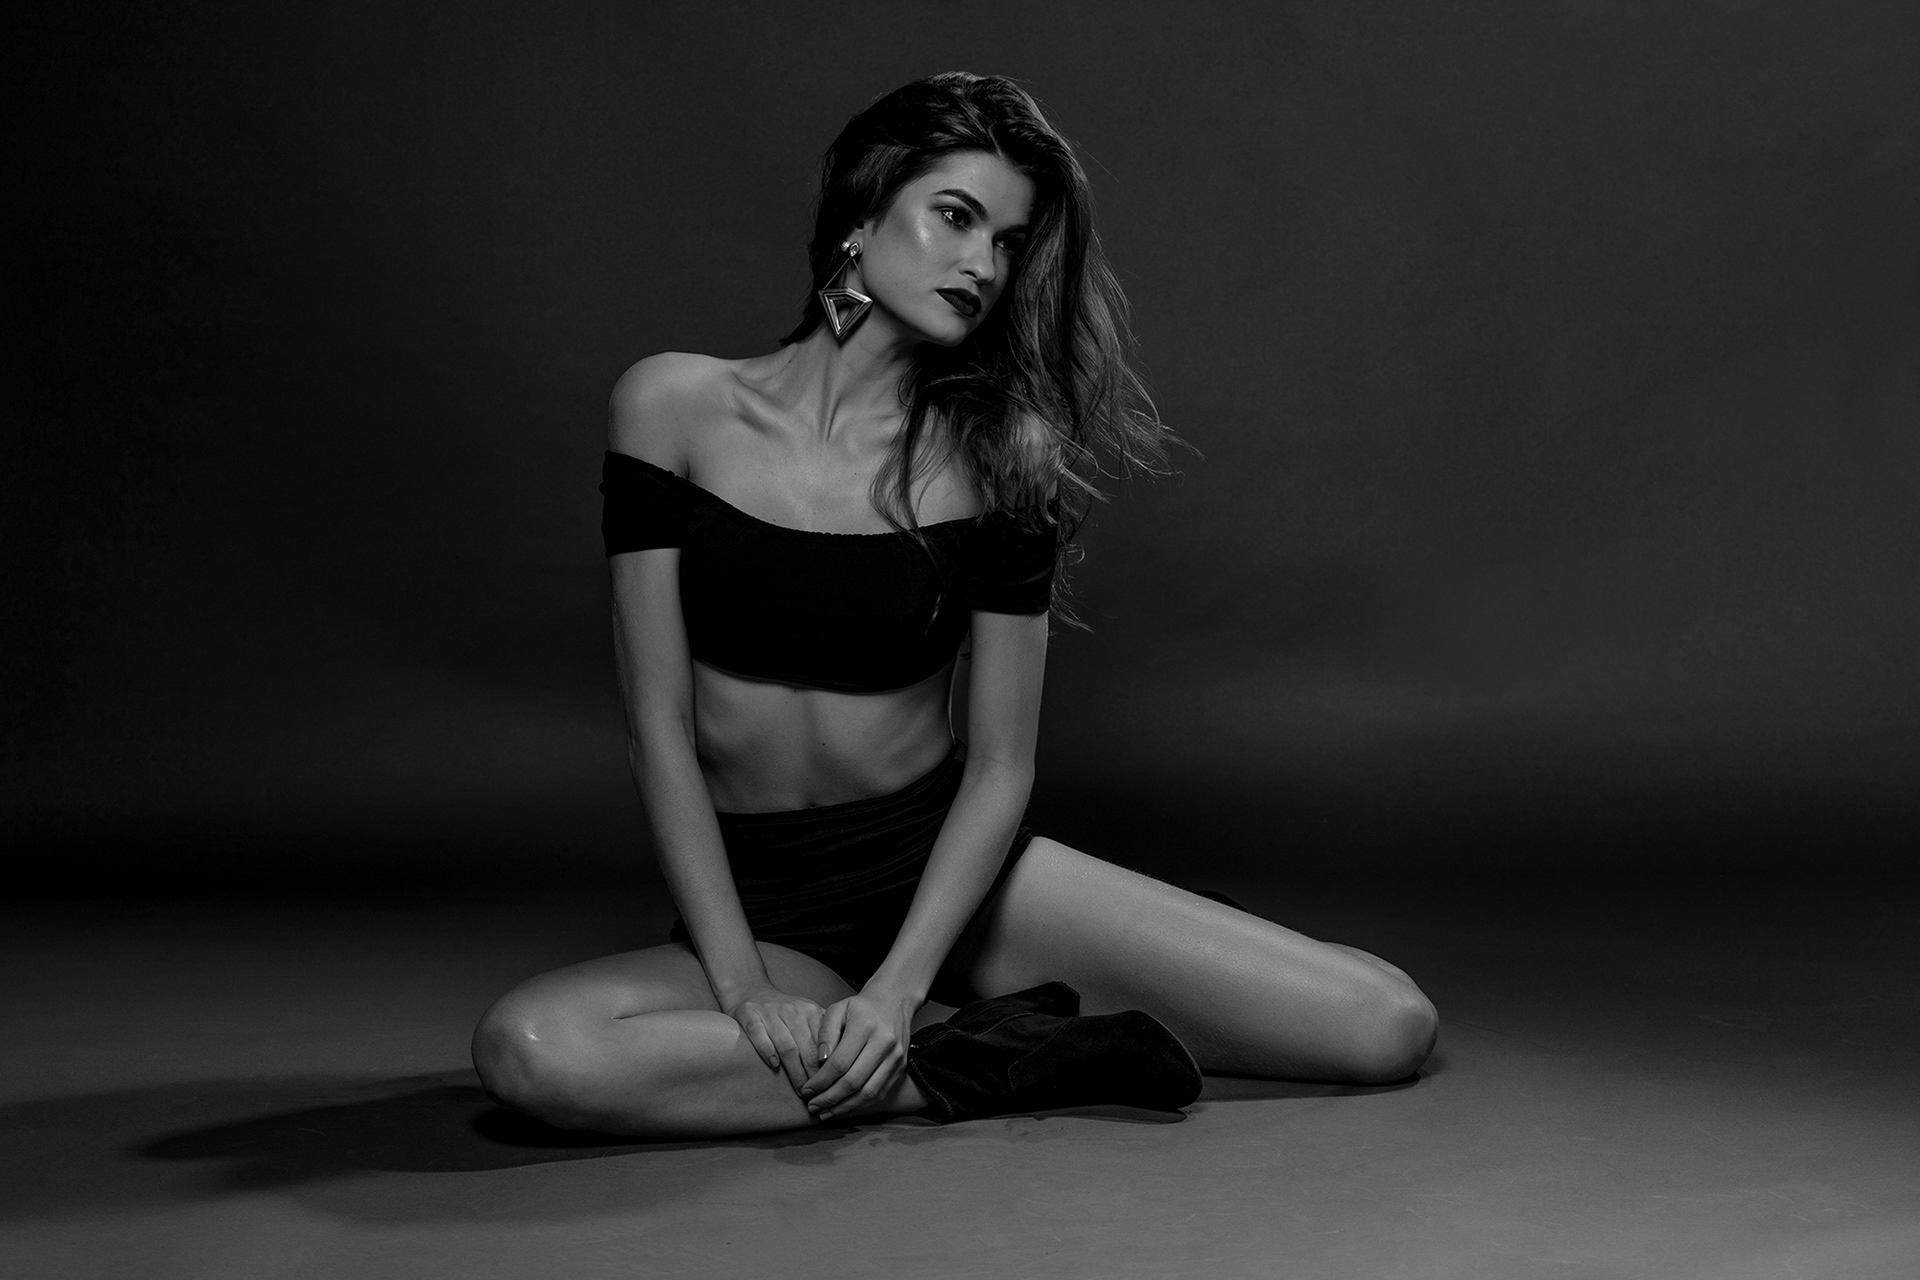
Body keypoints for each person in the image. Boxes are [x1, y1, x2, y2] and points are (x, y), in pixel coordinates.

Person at [471, 72, 1437, 1138]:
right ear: (863, 211)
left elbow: (1001, 764)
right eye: (956, 216)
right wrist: (740, 983)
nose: (984, 264)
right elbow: (657, 726)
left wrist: (896, 990)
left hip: (945, 872)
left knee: (1384, 1022)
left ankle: (956, 1015)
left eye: (1009, 242)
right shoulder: (669, 407)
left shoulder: (998, 459)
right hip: (773, 907)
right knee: (535, 1048)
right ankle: (1008, 1056)